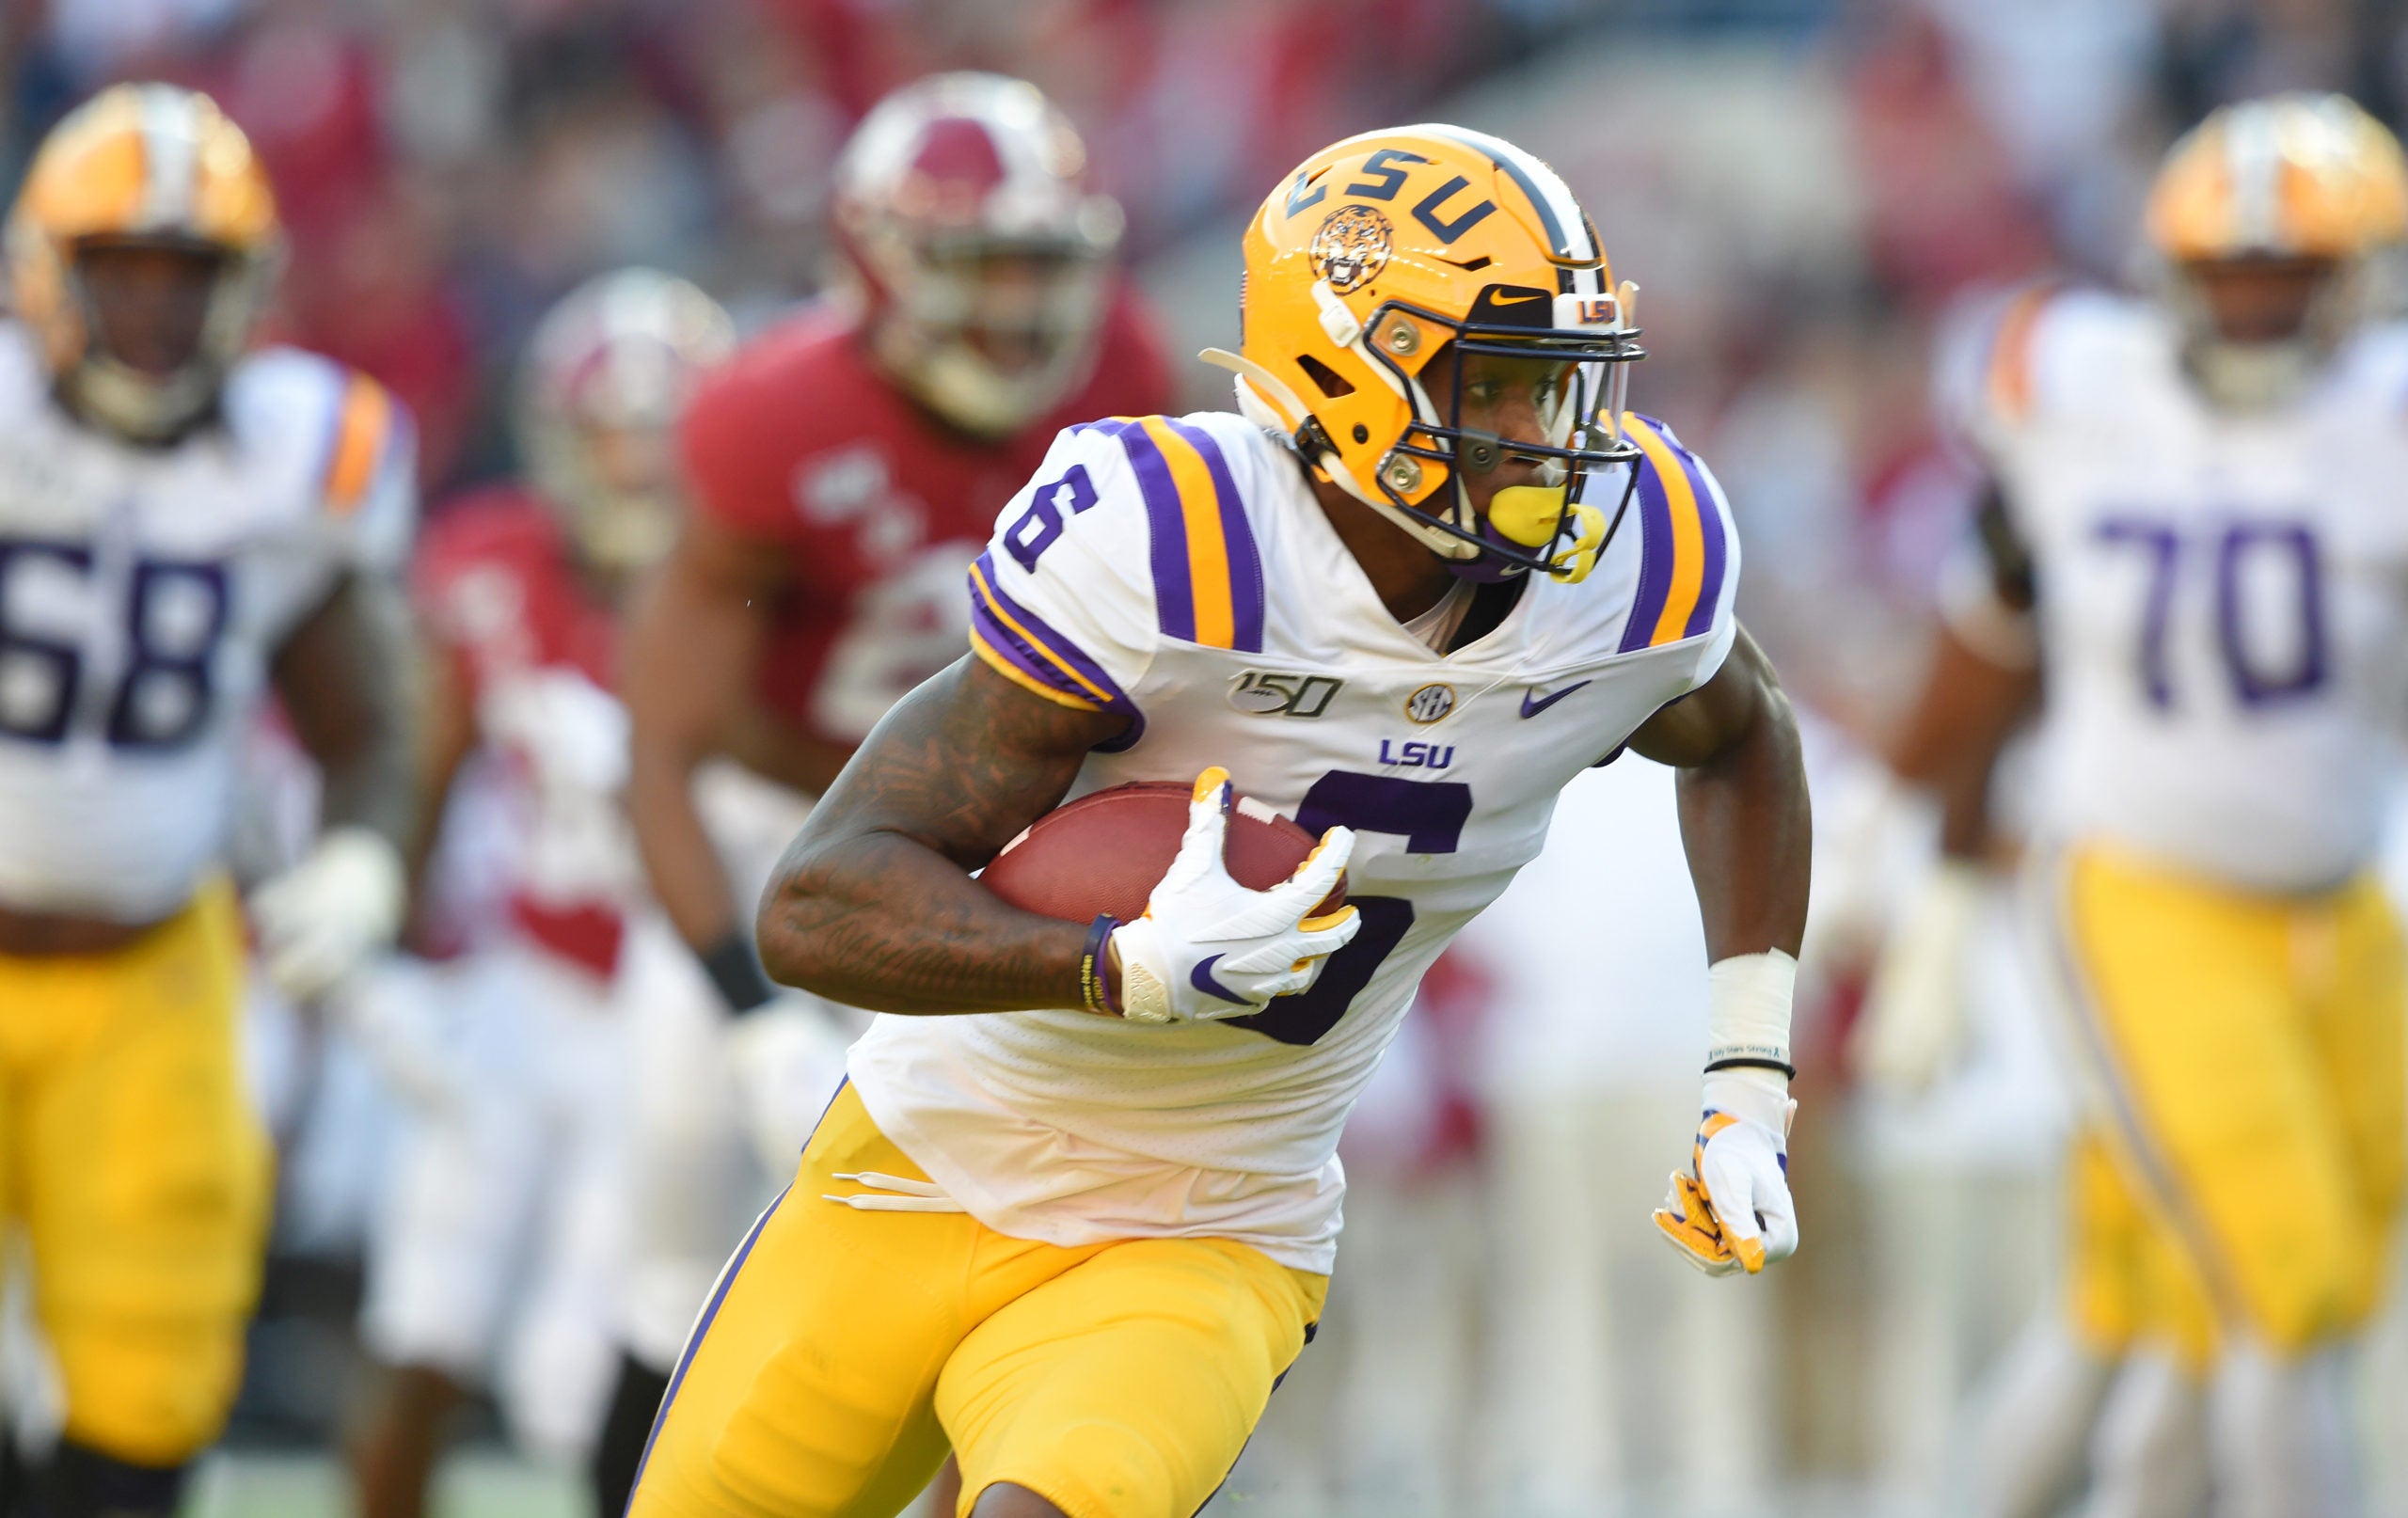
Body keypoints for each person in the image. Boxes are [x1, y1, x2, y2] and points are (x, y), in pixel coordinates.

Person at [629, 122, 1812, 1518]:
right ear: (1344, 372)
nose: (1551, 439)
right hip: (932, 1156)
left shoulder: (1634, 567)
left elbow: (1744, 734)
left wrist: (1747, 1082)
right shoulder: (1179, 541)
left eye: (1566, 387)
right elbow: (818, 901)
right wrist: (1109, 965)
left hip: (1215, 1216)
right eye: (1496, 386)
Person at [605, 71, 1173, 1510]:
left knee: (1000, 1231)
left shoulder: (1127, 382)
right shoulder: (771, 415)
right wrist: (741, 1006)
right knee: (690, 1205)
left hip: (1012, 844)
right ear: (876, 260)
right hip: (777, 826)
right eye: (978, 266)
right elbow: (662, 741)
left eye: (1042, 268)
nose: (1014, 311)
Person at [1860, 92, 2408, 1518]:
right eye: (2230, 275)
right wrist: (1930, 863)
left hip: (2338, 912)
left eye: (2290, 279)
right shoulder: (2085, 394)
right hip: (2144, 896)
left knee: (2163, 1308)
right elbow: (1992, 631)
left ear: (2360, 283)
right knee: (2285, 1286)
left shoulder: (2385, 418)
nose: (2256, 310)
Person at [0, 84, 417, 1516]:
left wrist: (365, 854)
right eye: (123, 269)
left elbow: (365, 707)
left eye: (191, 274)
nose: (158, 312)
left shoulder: (300, 456)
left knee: (150, 1377)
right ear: (48, 274)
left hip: (149, 967)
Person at [346, 270, 734, 1518]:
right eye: (612, 438)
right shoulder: (489, 561)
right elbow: (421, 772)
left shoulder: (743, 591)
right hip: (517, 992)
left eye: (661, 440)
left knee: (598, 1366)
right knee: (423, 1320)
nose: (633, 471)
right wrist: (385, 966)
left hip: (665, 1008)